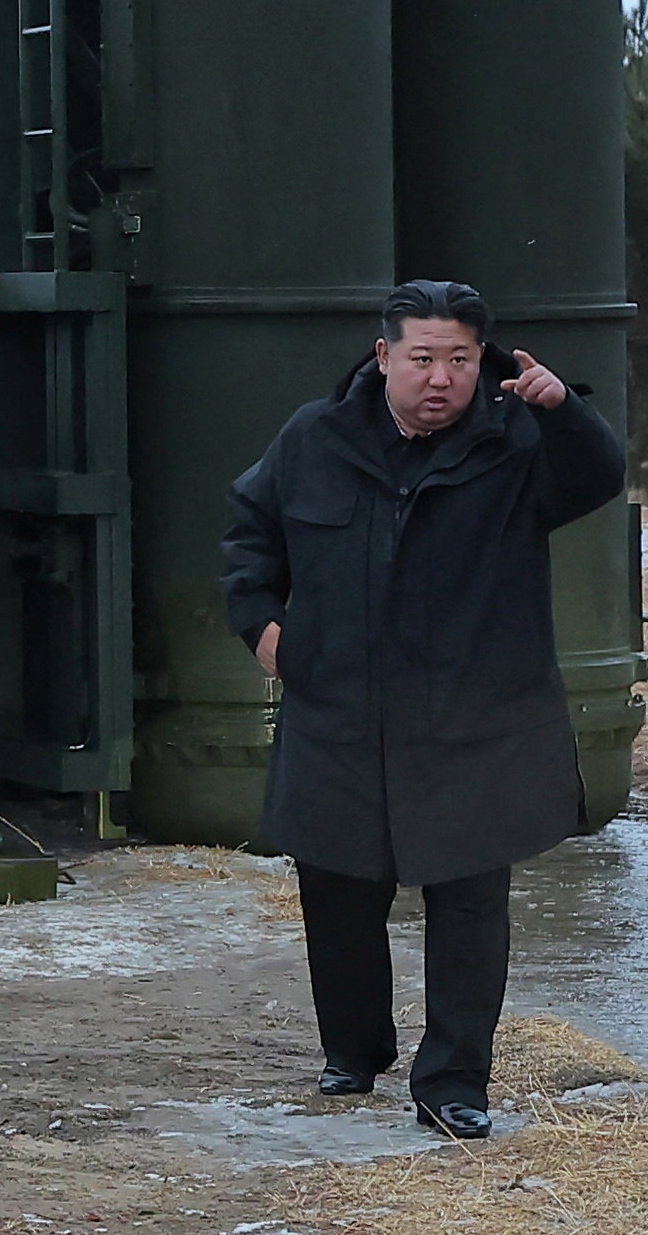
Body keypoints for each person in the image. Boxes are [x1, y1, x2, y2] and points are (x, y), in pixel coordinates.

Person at [223, 280, 626, 1138]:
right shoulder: (314, 437)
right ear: (383, 358)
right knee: (336, 893)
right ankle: (353, 1049)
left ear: (482, 362)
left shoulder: (515, 440)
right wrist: (264, 629)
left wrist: (562, 412)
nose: (441, 379)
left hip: (476, 719)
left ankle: (453, 1081)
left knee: (468, 905)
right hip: (340, 710)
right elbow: (248, 532)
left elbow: (595, 479)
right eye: (422, 359)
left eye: (460, 360)